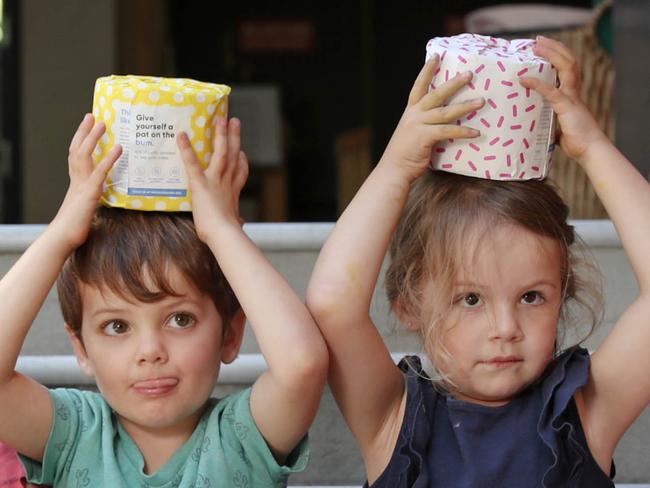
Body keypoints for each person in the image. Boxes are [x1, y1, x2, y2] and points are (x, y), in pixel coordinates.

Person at [306, 36, 650, 487]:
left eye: (531, 296)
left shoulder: (584, 417)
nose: (505, 327)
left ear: (562, 294)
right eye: (469, 299)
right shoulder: (394, 422)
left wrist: (589, 145)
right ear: (409, 301)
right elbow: (332, 302)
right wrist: (396, 166)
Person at [0, 114, 328, 486]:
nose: (150, 350)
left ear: (231, 335)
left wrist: (221, 230)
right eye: (117, 326)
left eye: (180, 319)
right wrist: (61, 232)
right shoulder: (75, 433)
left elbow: (302, 365)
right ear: (81, 348)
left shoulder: (242, 437)